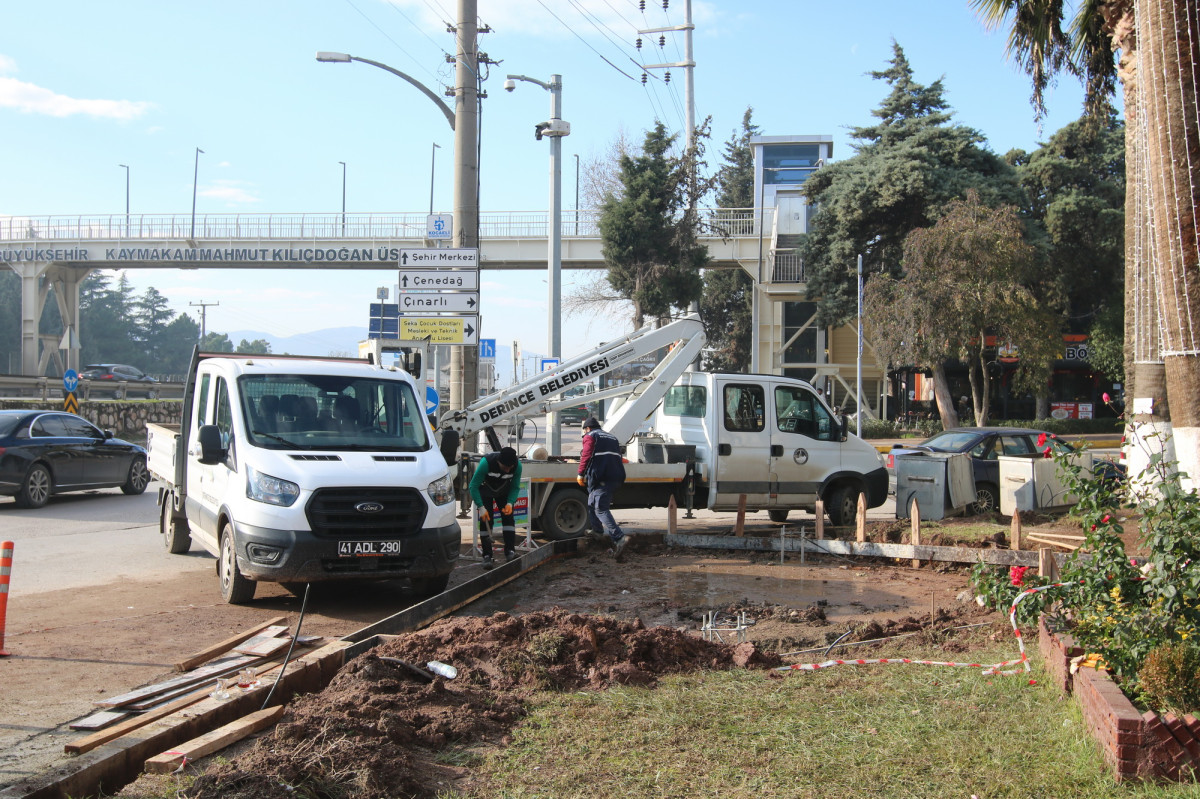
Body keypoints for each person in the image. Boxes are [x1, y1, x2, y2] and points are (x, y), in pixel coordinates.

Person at [577, 417, 628, 559]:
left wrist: (580, 473)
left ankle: (619, 538)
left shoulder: (590, 436)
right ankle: (598, 531)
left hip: (602, 477)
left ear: (587, 428)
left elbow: (586, 455)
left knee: (600, 508)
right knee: (591, 502)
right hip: (616, 475)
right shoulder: (612, 437)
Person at [468, 446, 523, 569]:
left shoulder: (517, 466)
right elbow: (473, 486)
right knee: (486, 520)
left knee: (509, 519)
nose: (508, 470)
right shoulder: (486, 463)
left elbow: (515, 487)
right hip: (486, 489)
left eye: (510, 467)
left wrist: (510, 503)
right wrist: (481, 507)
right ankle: (487, 556)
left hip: (503, 490)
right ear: (498, 462)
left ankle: (510, 551)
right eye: (505, 467)